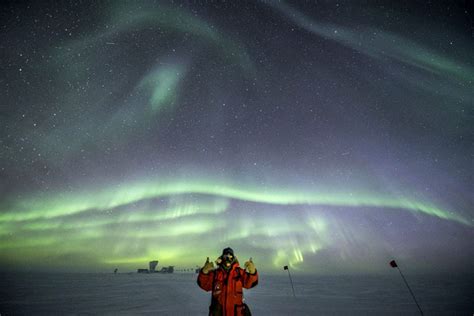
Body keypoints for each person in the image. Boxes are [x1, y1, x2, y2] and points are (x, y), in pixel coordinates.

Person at [197, 247, 258, 316]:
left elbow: (250, 283)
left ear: (233, 257)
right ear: (222, 257)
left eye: (230, 255)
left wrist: (252, 272)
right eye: (225, 256)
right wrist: (204, 272)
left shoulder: (239, 272)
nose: (228, 258)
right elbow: (204, 285)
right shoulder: (215, 273)